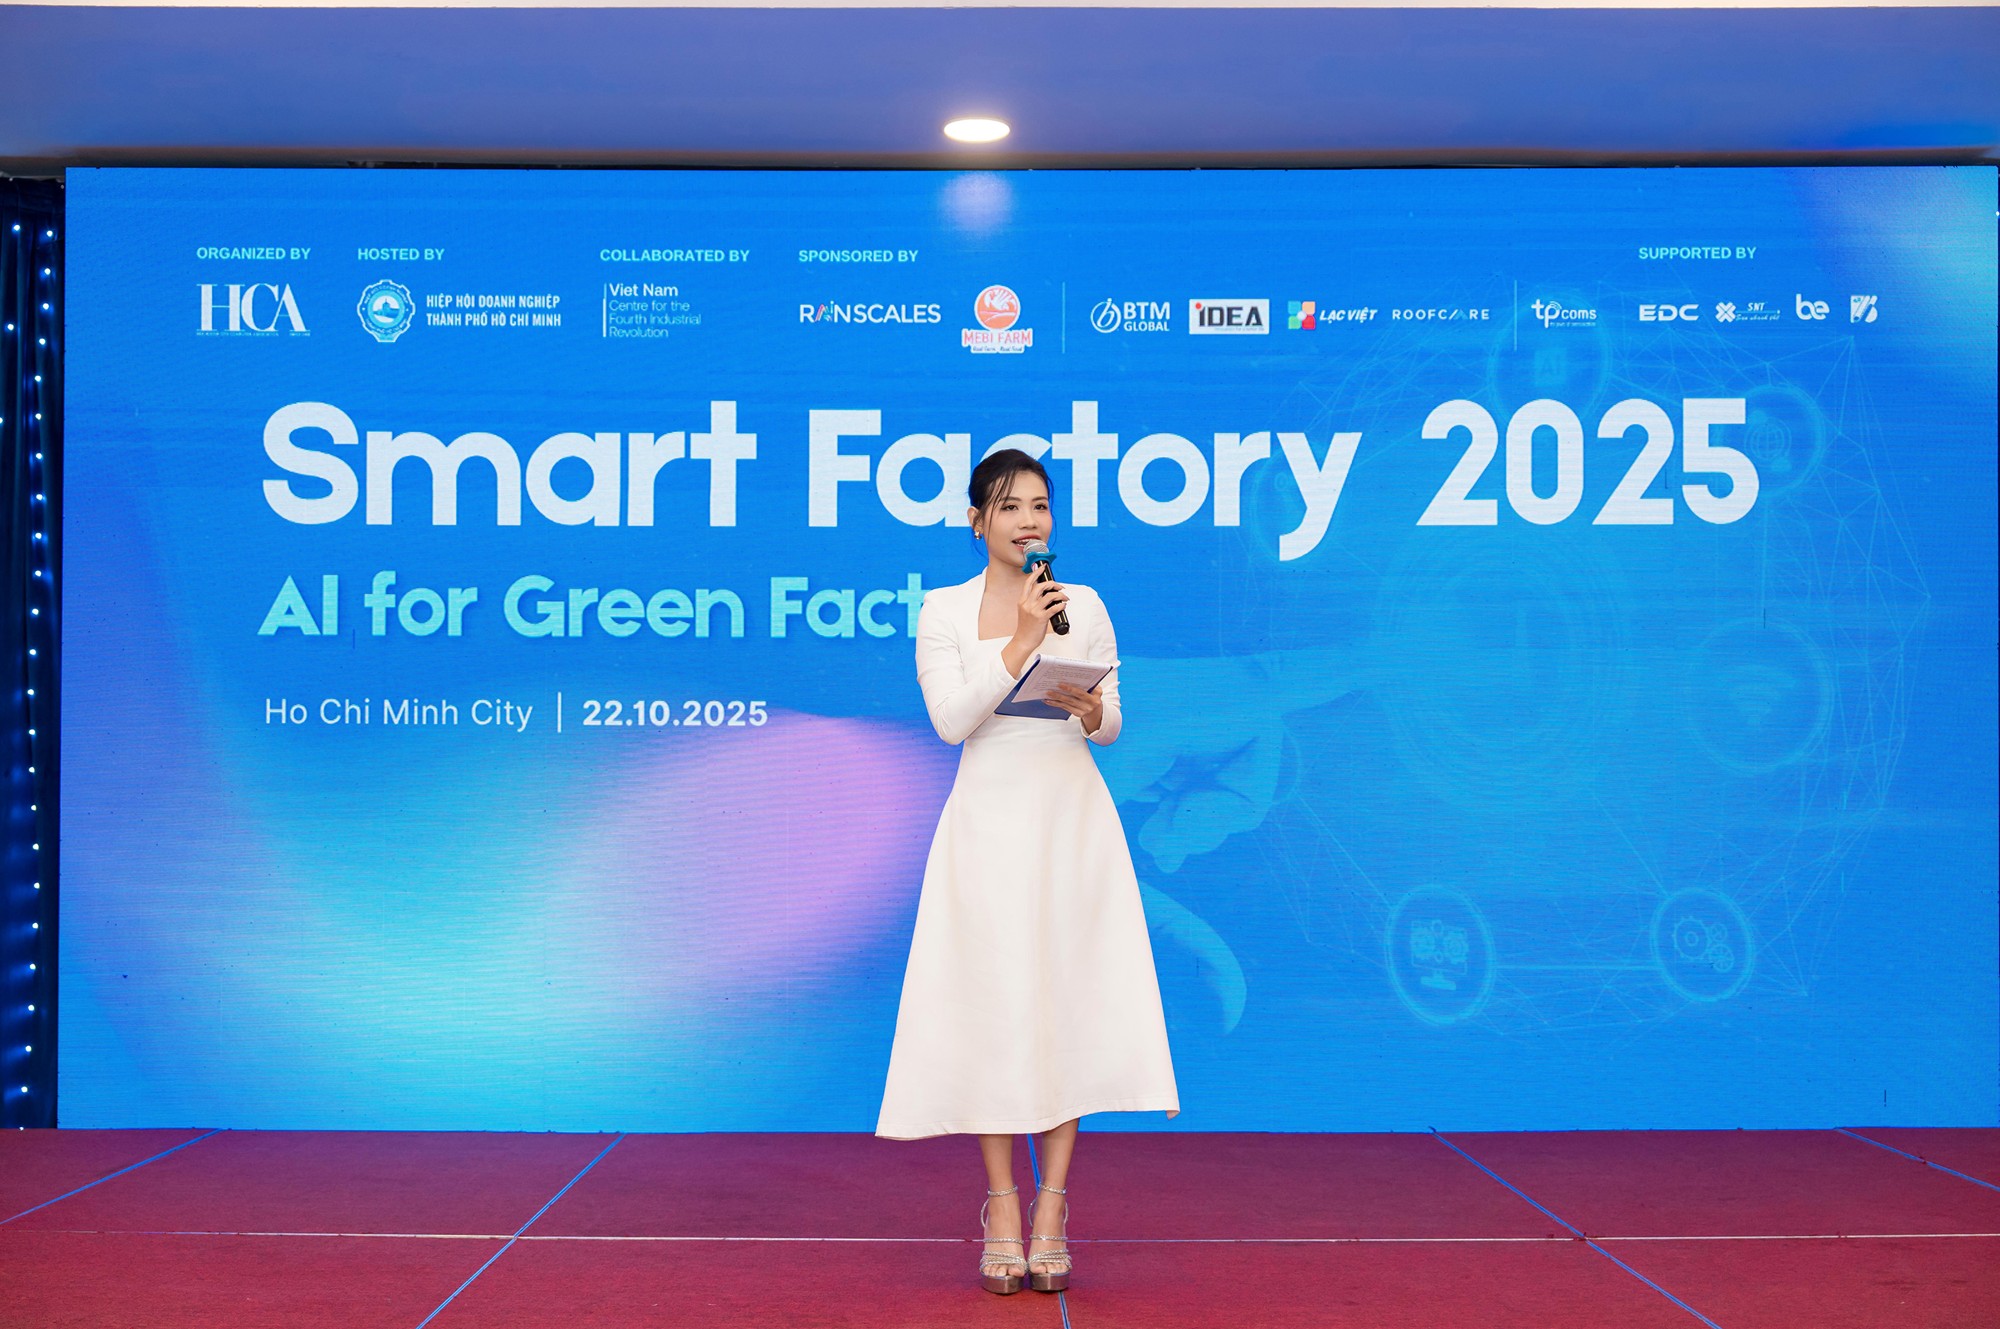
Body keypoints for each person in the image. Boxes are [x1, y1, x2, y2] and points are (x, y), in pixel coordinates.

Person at [876, 448, 1180, 1295]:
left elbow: (1111, 722)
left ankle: (1053, 1208)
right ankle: (1002, 1205)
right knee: (997, 1009)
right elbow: (951, 721)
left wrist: (1092, 707)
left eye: (1040, 505)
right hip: (987, 824)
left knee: (1063, 1004)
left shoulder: (1083, 604)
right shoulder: (943, 609)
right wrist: (1017, 643)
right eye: (1010, 506)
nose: (1028, 520)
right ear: (977, 521)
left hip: (1070, 823)